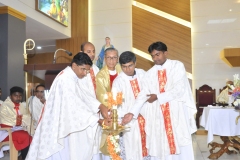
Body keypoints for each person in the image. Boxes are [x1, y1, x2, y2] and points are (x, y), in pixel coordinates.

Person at [26, 53, 109, 160]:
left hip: (65, 123)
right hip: (58, 124)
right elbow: (75, 106)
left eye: (87, 71)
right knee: (60, 152)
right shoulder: (65, 79)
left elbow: (84, 96)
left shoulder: (72, 77)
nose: (85, 73)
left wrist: (100, 105)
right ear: (74, 66)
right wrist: (97, 120)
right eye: (83, 69)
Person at [122, 41, 197, 160]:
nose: (155, 58)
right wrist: (132, 112)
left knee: (180, 142)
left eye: (158, 54)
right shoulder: (150, 74)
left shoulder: (177, 66)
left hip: (176, 113)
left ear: (165, 53)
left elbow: (179, 89)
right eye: (152, 56)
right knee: (162, 145)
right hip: (159, 117)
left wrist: (158, 97)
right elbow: (143, 95)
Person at [112, 51, 149, 159]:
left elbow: (147, 94)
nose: (128, 69)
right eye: (124, 67)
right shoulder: (118, 82)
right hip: (130, 123)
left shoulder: (143, 74)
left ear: (135, 63)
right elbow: (115, 105)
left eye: (130, 66)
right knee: (132, 151)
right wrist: (125, 116)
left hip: (147, 119)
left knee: (149, 149)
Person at [96, 48, 121, 159]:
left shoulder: (122, 71)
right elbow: (102, 96)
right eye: (109, 58)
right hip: (110, 113)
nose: (111, 61)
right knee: (111, 145)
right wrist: (113, 111)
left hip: (123, 112)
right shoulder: (101, 76)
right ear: (105, 59)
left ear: (118, 59)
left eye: (114, 57)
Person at [0, 86, 32, 160]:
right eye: (16, 95)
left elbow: (27, 117)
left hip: (17, 129)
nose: (18, 98)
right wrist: (21, 120)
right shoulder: (5, 106)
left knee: (30, 136)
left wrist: (21, 120)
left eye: (20, 96)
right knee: (24, 136)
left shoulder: (21, 105)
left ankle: (25, 157)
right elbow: (5, 120)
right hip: (5, 131)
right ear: (11, 96)